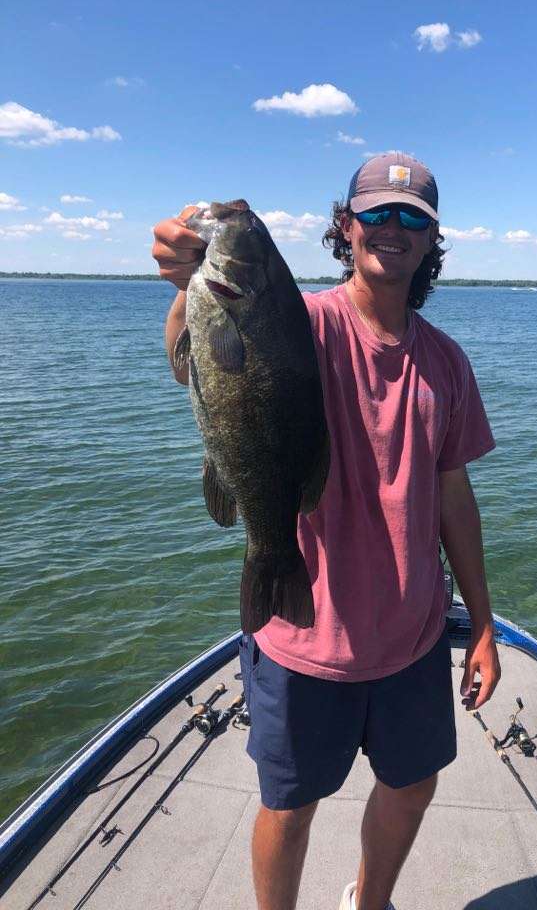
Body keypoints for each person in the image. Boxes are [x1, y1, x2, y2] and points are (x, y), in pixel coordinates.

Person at [152, 152, 501, 910]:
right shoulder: (299, 320)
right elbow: (198, 358)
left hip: (411, 632)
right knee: (289, 804)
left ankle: (368, 904)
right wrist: (187, 285)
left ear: (431, 242)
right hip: (304, 632)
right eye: (377, 212)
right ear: (347, 227)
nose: (394, 228)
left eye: (414, 218)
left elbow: (454, 496)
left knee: (412, 787)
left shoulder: (447, 362)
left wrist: (481, 624)